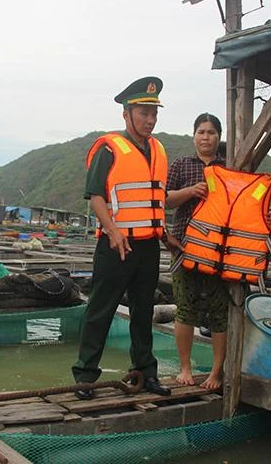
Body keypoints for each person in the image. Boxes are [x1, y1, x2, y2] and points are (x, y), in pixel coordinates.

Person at [71, 76, 182, 400]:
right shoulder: (109, 148)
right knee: (100, 309)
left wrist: (165, 235)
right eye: (143, 113)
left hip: (148, 245)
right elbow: (95, 196)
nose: (150, 120)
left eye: (154, 114)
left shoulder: (159, 149)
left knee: (143, 310)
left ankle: (145, 372)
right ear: (126, 113)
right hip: (115, 245)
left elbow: (155, 200)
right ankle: (85, 376)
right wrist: (113, 231)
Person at [165, 113, 228, 390]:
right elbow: (165, 200)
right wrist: (191, 191)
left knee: (219, 310)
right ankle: (185, 368)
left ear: (219, 137)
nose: (206, 137)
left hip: (219, 250)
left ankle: (216, 372)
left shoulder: (229, 166)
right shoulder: (181, 164)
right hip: (183, 246)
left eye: (212, 132)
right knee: (184, 309)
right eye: (201, 132)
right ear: (193, 136)